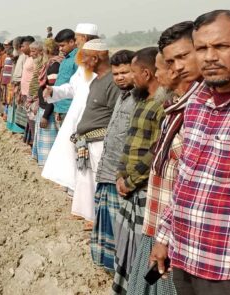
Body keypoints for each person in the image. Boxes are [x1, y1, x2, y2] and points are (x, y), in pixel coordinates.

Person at [151, 11, 230, 295]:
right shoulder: (198, 102)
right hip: (186, 262)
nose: (209, 57)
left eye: (221, 46)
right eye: (201, 48)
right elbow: (185, 180)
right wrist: (164, 237)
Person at [127, 22, 201, 295]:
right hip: (160, 223)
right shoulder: (174, 109)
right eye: (168, 62)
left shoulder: (196, 112)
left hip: (176, 235)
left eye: (182, 57)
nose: (165, 71)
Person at [112, 47, 165, 295]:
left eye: (132, 72)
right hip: (129, 186)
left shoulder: (161, 106)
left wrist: (131, 180)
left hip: (144, 189)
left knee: (144, 251)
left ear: (146, 73)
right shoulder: (140, 100)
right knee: (127, 246)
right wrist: (121, 175)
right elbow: (131, 143)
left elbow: (155, 151)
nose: (130, 78)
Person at [91, 49, 136, 272]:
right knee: (109, 224)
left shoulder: (140, 100)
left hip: (123, 176)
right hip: (108, 171)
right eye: (116, 73)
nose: (119, 77)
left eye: (125, 72)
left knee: (123, 231)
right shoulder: (122, 96)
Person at [70, 39, 120, 228]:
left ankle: (98, 220)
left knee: (99, 181)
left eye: (85, 59)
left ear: (96, 58)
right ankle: (89, 216)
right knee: (86, 180)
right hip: (88, 141)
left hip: (101, 142)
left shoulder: (112, 82)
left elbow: (115, 116)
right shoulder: (96, 81)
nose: (83, 63)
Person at [42, 24, 98, 191]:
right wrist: (54, 91)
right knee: (73, 153)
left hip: (90, 116)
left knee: (87, 159)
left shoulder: (95, 62)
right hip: (75, 112)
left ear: (85, 39)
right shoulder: (83, 61)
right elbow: (73, 87)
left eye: (79, 38)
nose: (78, 41)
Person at [32, 42, 63, 166]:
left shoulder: (54, 65)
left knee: (49, 142)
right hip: (45, 107)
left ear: (47, 52)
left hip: (48, 109)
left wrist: (45, 114)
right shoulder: (50, 64)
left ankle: (49, 167)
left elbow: (52, 91)